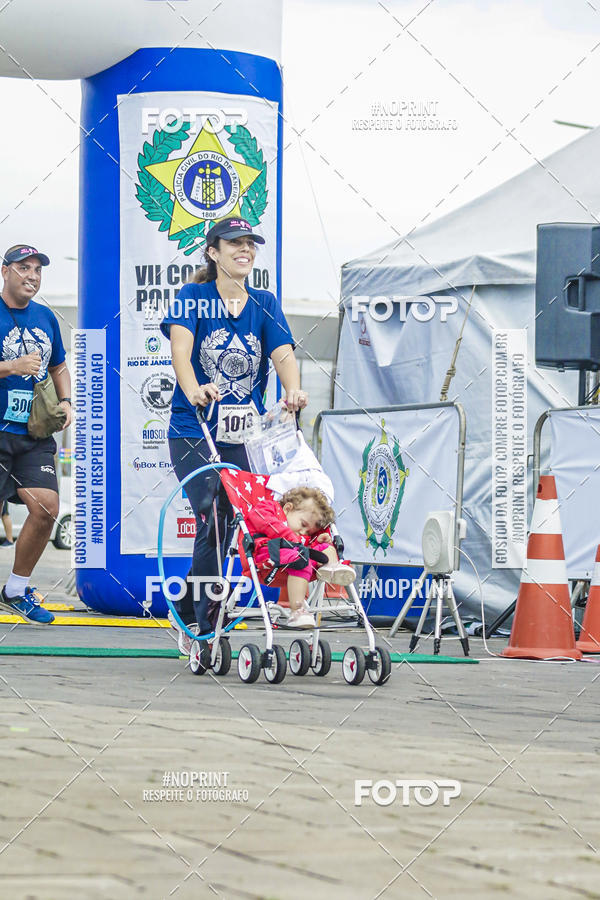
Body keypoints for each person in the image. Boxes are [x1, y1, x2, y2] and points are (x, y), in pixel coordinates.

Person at [160, 216, 309, 640]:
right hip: (194, 428)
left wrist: (293, 391)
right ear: (213, 252)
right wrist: (193, 389)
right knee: (210, 510)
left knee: (230, 520)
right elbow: (181, 352)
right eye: (234, 244)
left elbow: (282, 356)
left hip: (243, 433)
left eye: (250, 244)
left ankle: (188, 604)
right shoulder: (193, 296)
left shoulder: (264, 302)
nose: (245, 250)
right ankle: (206, 621)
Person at [0, 244, 72, 623]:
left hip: (34, 432)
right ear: (4, 271)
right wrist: (10, 366)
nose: (32, 275)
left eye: (37, 270)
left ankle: (15, 589)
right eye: (23, 268)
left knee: (46, 507)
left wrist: (67, 401)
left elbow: (59, 366)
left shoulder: (45, 316)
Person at [245, 486, 356, 627]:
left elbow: (305, 546)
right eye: (303, 524)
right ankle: (297, 611)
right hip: (268, 556)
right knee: (301, 558)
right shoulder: (270, 508)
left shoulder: (301, 536)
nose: (303, 532)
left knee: (325, 547)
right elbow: (261, 518)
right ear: (288, 509)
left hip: (295, 561)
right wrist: (291, 537)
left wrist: (317, 541)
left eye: (308, 531)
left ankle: (332, 568)